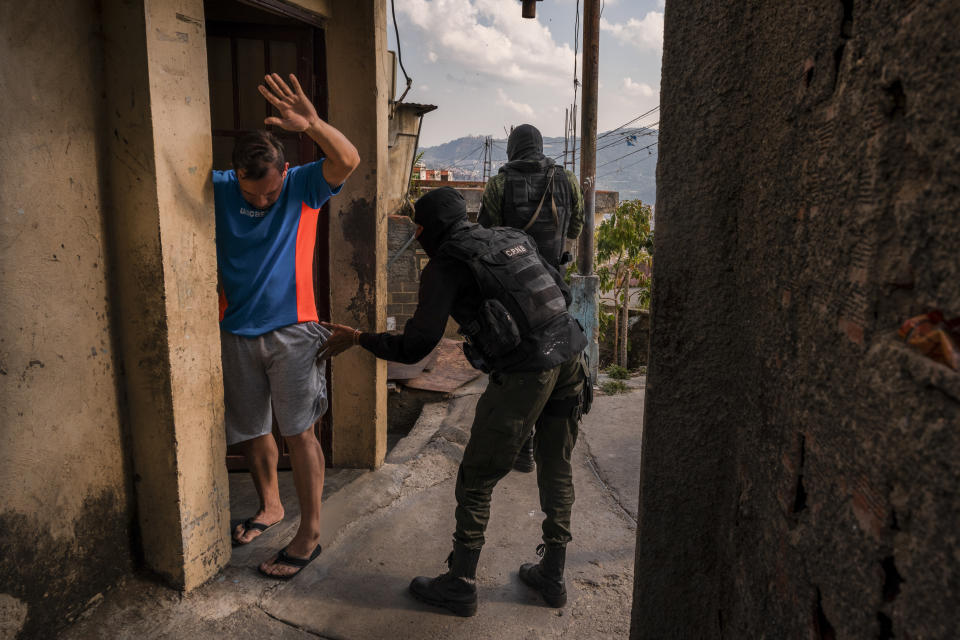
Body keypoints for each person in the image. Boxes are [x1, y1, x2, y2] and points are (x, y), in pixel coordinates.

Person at [320, 187, 590, 616]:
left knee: (477, 476)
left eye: (419, 229)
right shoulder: (506, 236)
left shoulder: (447, 262)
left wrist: (357, 338)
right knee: (556, 465)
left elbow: (417, 345)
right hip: (572, 353)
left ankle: (461, 582)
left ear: (429, 229)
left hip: (526, 372)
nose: (419, 235)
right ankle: (553, 573)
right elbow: (558, 288)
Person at [214, 73, 360, 579]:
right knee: (253, 430)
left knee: (301, 433)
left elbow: (348, 160)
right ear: (237, 176)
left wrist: (314, 123)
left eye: (270, 193)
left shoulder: (302, 184)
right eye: (253, 195)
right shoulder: (219, 189)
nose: (262, 202)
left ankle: (310, 534)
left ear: (284, 174)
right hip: (235, 330)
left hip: (294, 331)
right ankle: (271, 507)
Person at [478, 123, 585, 473]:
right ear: (539, 145)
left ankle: (520, 445)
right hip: (554, 285)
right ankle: (540, 439)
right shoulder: (567, 181)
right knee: (552, 357)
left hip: (513, 289)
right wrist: (558, 255)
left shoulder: (498, 185)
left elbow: (486, 235)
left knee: (516, 362)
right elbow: (577, 224)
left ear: (513, 148)